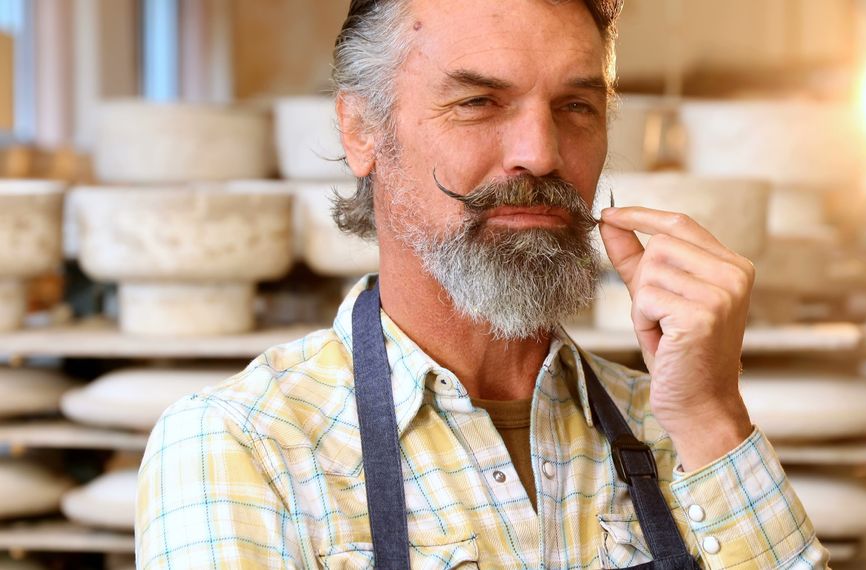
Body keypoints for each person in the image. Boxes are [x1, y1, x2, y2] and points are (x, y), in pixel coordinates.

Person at [136, 0, 829, 568]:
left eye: (576, 107)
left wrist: (713, 416)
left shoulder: (680, 426)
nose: (541, 152)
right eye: (478, 101)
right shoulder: (245, 447)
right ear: (361, 130)